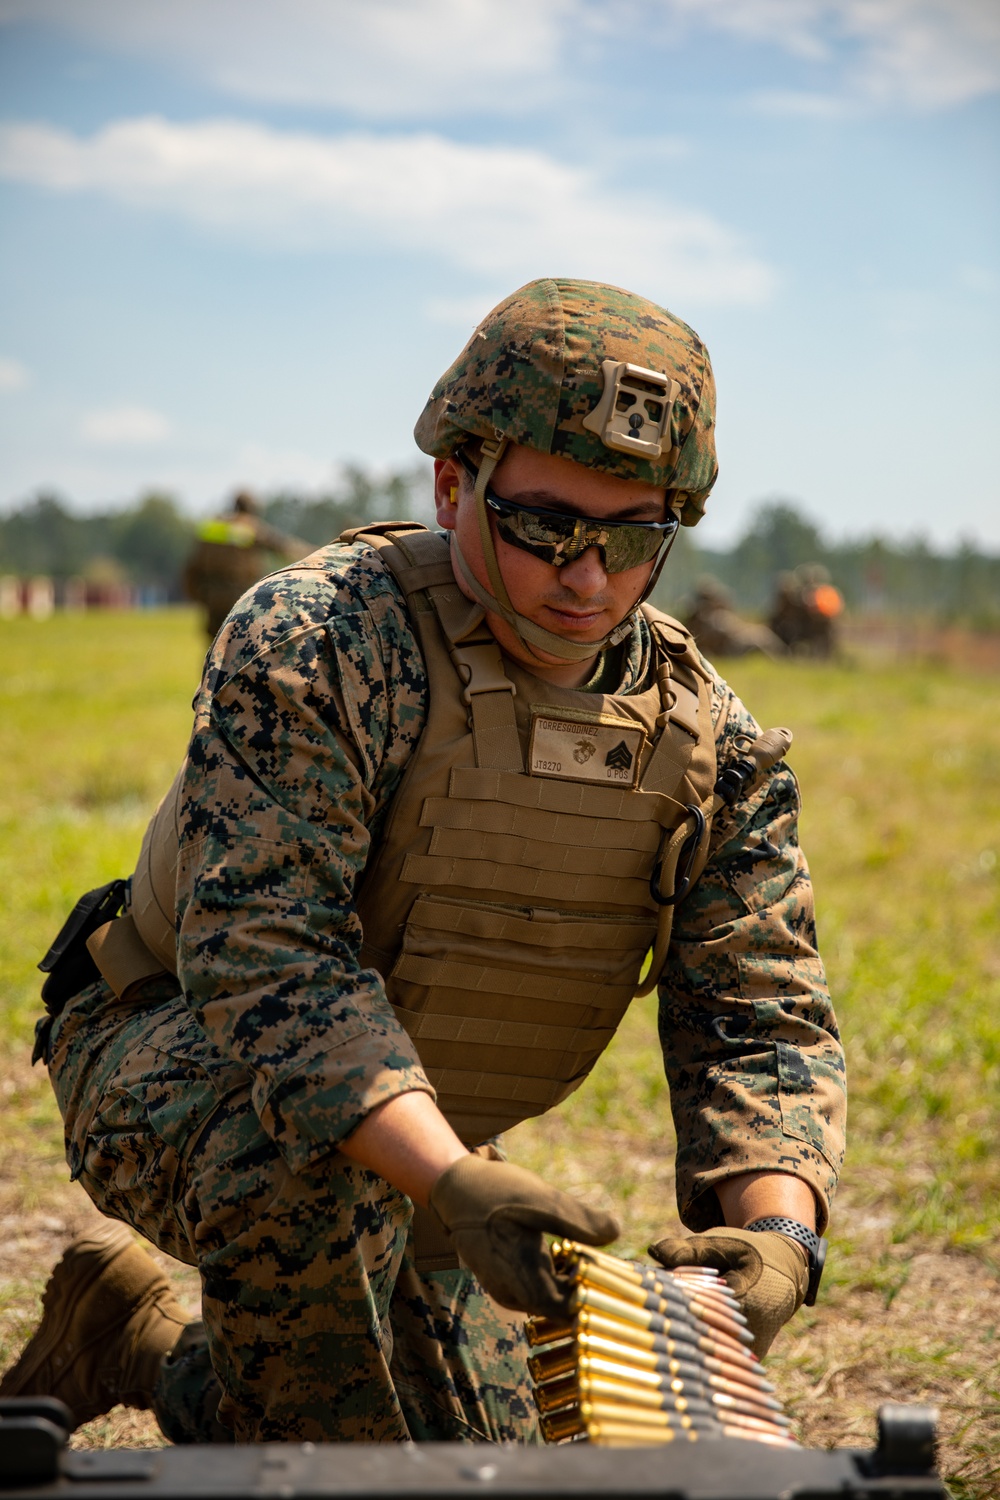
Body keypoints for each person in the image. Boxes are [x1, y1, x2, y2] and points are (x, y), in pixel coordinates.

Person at [2, 279, 845, 1446]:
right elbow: (273, 962)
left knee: (474, 1460)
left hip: (427, 1141)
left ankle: (133, 1335)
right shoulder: (319, 641)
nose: (587, 578)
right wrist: (444, 1176)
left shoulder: (713, 745)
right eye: (545, 527)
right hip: (183, 1058)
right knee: (350, 1424)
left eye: (633, 537)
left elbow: (760, 1014)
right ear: (454, 482)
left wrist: (776, 1235)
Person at [182, 490, 311, 640]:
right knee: (241, 646)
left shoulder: (212, 528)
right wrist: (318, 552)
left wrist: (199, 596)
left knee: (215, 647)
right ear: (251, 509)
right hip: (239, 598)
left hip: (213, 597)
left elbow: (192, 567)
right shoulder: (249, 526)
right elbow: (284, 547)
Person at [684, 575, 784, 658]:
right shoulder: (709, 619)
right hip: (731, 647)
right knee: (758, 642)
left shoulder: (717, 615)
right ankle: (782, 658)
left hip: (739, 640)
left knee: (762, 636)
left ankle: (783, 657)